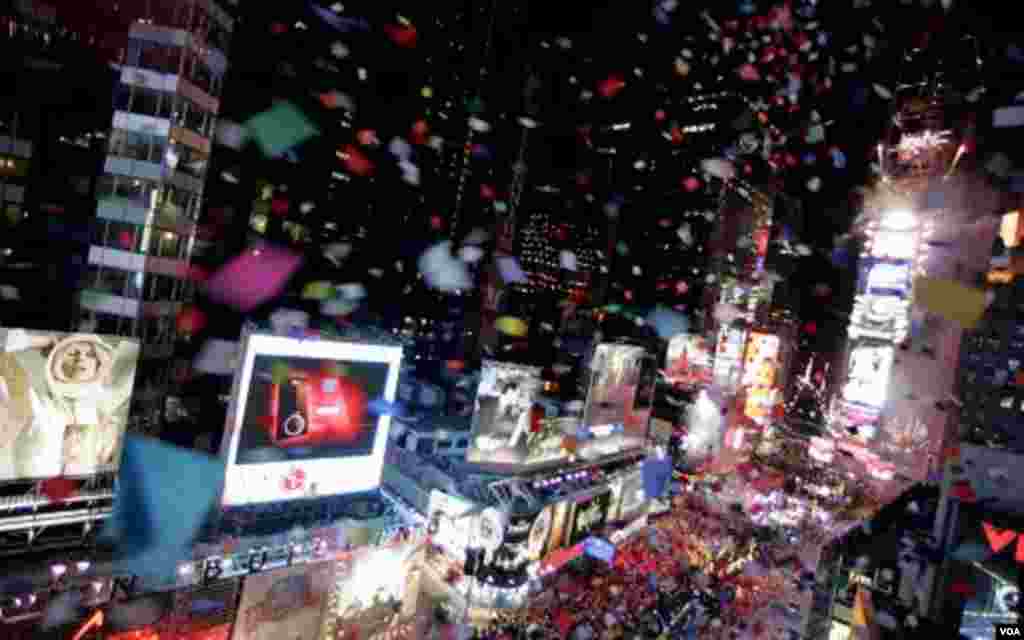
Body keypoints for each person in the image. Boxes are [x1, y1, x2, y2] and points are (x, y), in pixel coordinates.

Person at [0, 331, 139, 480]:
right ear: (58, 361)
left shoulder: (104, 408)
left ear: (99, 365)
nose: (81, 358)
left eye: (91, 355)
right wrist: (40, 341)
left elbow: (135, 357)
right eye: (72, 353)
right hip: (28, 497)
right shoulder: (36, 403)